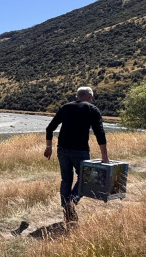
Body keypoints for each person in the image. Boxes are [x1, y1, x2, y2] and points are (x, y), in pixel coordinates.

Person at [43, 86, 108, 224]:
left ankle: (67, 209)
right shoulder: (92, 109)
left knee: (66, 180)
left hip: (62, 150)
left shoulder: (65, 107)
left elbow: (50, 128)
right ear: (90, 97)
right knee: (85, 179)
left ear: (78, 96)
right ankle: (71, 202)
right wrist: (105, 157)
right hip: (80, 151)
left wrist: (49, 147)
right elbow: (100, 133)